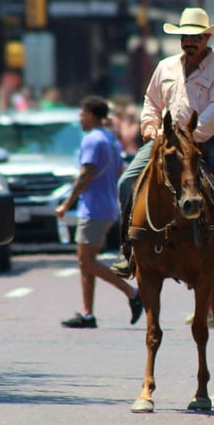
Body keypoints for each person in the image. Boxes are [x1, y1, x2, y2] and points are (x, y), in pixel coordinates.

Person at [112, 7, 214, 277]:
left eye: (196, 37)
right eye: (185, 37)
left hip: (210, 139)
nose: (190, 42)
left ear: (207, 38)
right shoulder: (164, 67)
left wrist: (189, 139)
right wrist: (150, 126)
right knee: (126, 182)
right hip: (165, 139)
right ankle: (129, 247)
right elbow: (151, 101)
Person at [56, 95, 143, 329]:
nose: (80, 119)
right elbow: (120, 171)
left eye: (82, 115)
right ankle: (87, 314)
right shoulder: (110, 139)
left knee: (86, 261)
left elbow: (85, 174)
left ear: (92, 116)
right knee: (87, 262)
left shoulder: (92, 140)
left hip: (93, 209)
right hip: (107, 206)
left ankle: (133, 293)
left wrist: (66, 204)